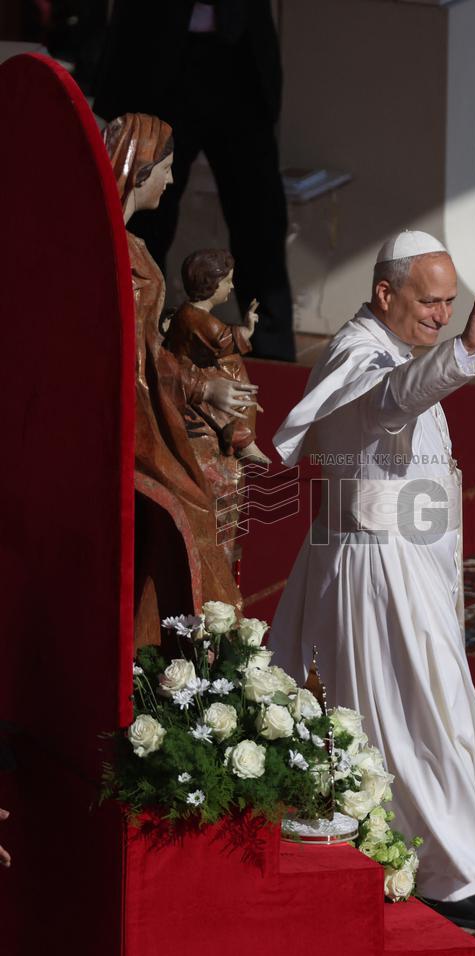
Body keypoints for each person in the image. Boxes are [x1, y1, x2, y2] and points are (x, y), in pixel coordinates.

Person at [269, 231, 475, 929]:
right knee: (415, 712)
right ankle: (446, 878)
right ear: (385, 294)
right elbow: (392, 401)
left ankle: (420, 858)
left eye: (451, 304)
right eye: (430, 301)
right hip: (374, 567)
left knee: (415, 708)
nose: (442, 315)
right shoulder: (361, 357)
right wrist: (467, 350)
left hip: (402, 557)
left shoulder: (389, 345)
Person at [103, 113, 250, 645]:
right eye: (165, 169)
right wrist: (197, 388)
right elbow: (127, 359)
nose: (171, 180)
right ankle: (202, 650)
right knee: (194, 502)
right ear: (139, 173)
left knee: (208, 487)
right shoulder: (113, 255)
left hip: (150, 406)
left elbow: (148, 353)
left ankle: (171, 649)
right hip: (126, 421)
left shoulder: (135, 249)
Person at [93, 0, 295, 362]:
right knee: (146, 216)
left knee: (260, 218)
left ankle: (273, 357)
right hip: (156, 55)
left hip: (240, 56)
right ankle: (132, 350)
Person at [165, 248, 270, 476]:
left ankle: (242, 430)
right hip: (191, 373)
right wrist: (248, 328)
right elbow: (224, 342)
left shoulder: (191, 313)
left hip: (198, 366)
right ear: (210, 284)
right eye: (228, 281)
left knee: (236, 372)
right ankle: (241, 437)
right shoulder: (198, 318)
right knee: (236, 377)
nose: (232, 287)